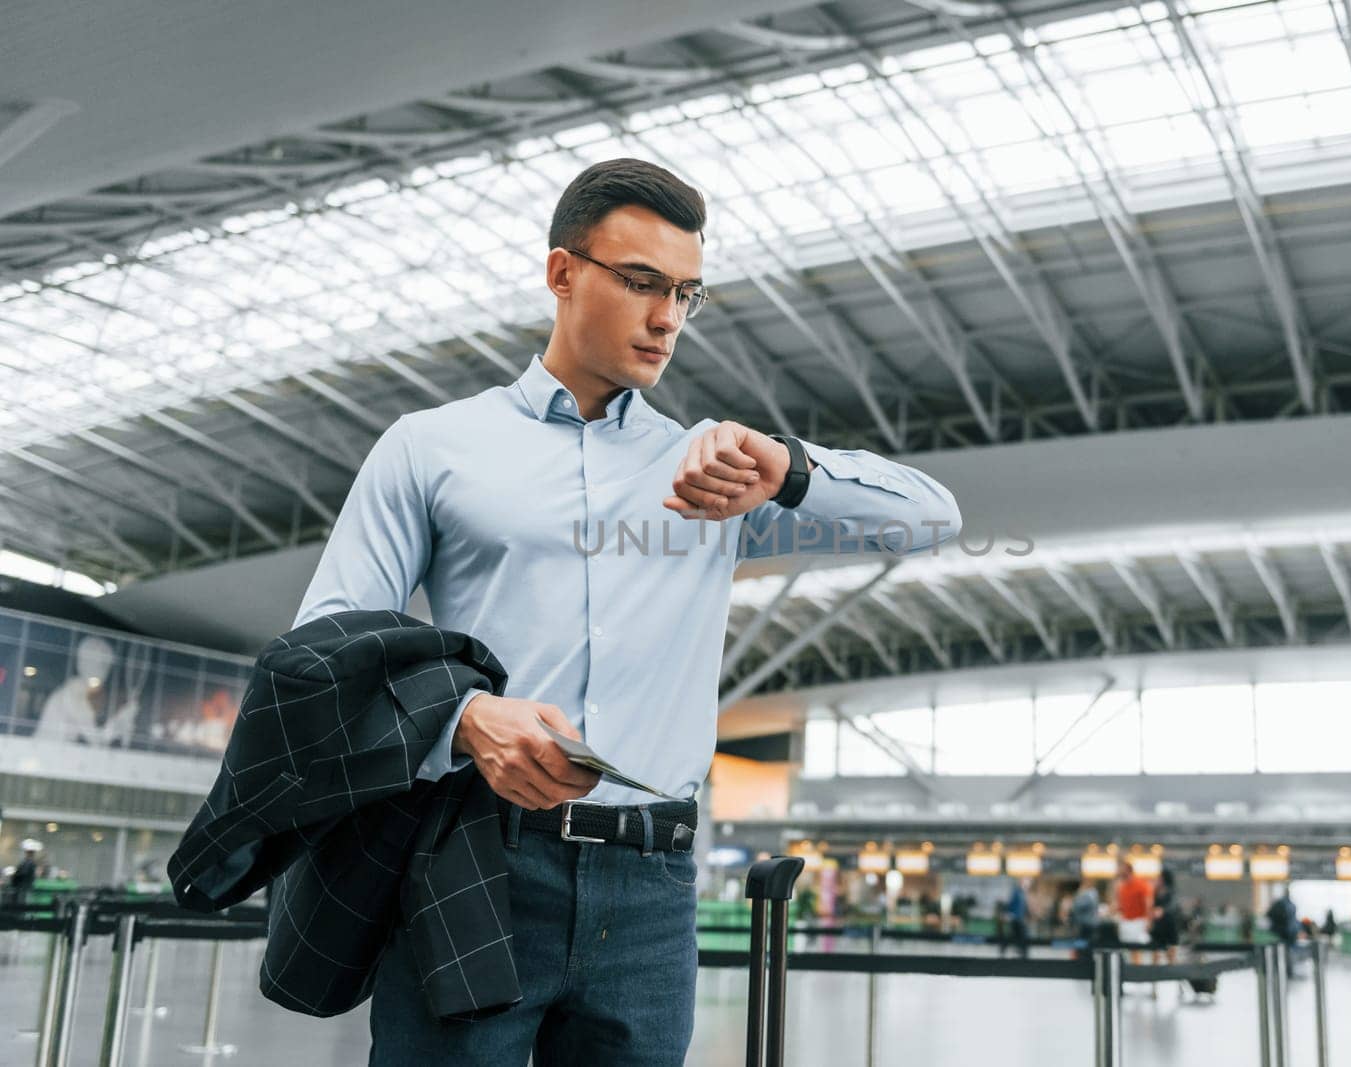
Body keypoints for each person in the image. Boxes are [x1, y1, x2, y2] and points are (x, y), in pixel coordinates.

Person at [294, 158, 962, 1066]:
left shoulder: (713, 471)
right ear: (562, 273)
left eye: (688, 293)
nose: (668, 319)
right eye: (643, 282)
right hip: (477, 860)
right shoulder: (433, 447)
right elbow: (324, 647)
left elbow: (933, 515)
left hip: (651, 889)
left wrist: (788, 468)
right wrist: (460, 718)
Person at [32, 636, 139, 746]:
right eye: (94, 662)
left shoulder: (77, 692)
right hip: (46, 754)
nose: (99, 669)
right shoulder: (72, 693)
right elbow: (96, 740)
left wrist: (123, 719)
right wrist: (123, 717)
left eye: (104, 663)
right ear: (81, 662)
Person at [1114, 861, 1154, 963]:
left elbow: (1148, 904)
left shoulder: (1141, 885)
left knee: (1137, 950)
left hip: (1138, 921)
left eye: (1121, 869)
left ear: (1128, 870)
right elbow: (1120, 906)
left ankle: (1137, 973)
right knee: (1126, 950)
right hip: (1126, 922)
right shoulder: (1122, 887)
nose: (1118, 871)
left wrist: (1148, 921)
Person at [1149, 868, 1181, 964]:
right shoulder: (1155, 891)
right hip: (1158, 924)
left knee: (1171, 949)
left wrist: (1162, 910)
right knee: (1156, 949)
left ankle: (1171, 969)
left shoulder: (1171, 891)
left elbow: (1172, 905)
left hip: (1169, 922)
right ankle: (1155, 971)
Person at [1265, 885, 1299, 976]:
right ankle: (1289, 971)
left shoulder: (1279, 904)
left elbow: (1268, 914)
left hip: (1281, 933)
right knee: (1289, 951)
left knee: (1279, 951)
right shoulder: (1292, 905)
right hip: (1291, 933)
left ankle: (1280, 971)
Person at [1004, 878, 1031, 958]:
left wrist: (1028, 915)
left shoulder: (1023, 893)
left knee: (1017, 935)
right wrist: (1008, 913)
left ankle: (1021, 951)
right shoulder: (1016, 892)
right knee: (1019, 934)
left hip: (1020, 918)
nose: (1027, 885)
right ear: (1021, 883)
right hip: (1015, 918)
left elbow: (1024, 907)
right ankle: (1022, 951)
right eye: (1026, 883)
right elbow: (1011, 903)